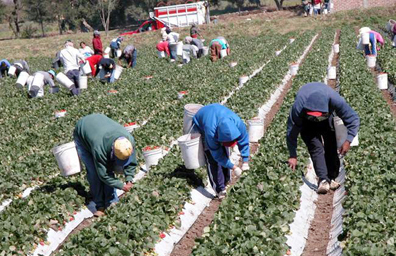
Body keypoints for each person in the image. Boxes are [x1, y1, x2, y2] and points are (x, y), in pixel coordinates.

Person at [286, 82, 360, 194]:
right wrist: (292, 154)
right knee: (316, 147)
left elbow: (353, 119)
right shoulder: (299, 107)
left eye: (318, 116)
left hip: (327, 118)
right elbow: (292, 131)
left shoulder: (335, 100)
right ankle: (323, 179)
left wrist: (348, 140)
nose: (316, 119)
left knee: (331, 143)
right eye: (313, 116)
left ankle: (332, 176)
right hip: (306, 121)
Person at [73, 114, 137, 217]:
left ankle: (111, 201)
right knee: (94, 172)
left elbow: (132, 162)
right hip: (83, 131)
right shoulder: (99, 148)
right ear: (112, 152)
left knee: (109, 167)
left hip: (100, 126)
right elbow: (104, 175)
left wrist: (129, 179)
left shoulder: (128, 142)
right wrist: (122, 186)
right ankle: (100, 205)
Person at [192, 104, 250, 199]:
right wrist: (234, 167)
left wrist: (245, 161)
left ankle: (226, 180)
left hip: (217, 115)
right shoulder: (210, 132)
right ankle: (219, 190)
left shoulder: (238, 124)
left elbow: (243, 140)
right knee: (212, 159)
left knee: (224, 152)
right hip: (201, 124)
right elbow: (217, 155)